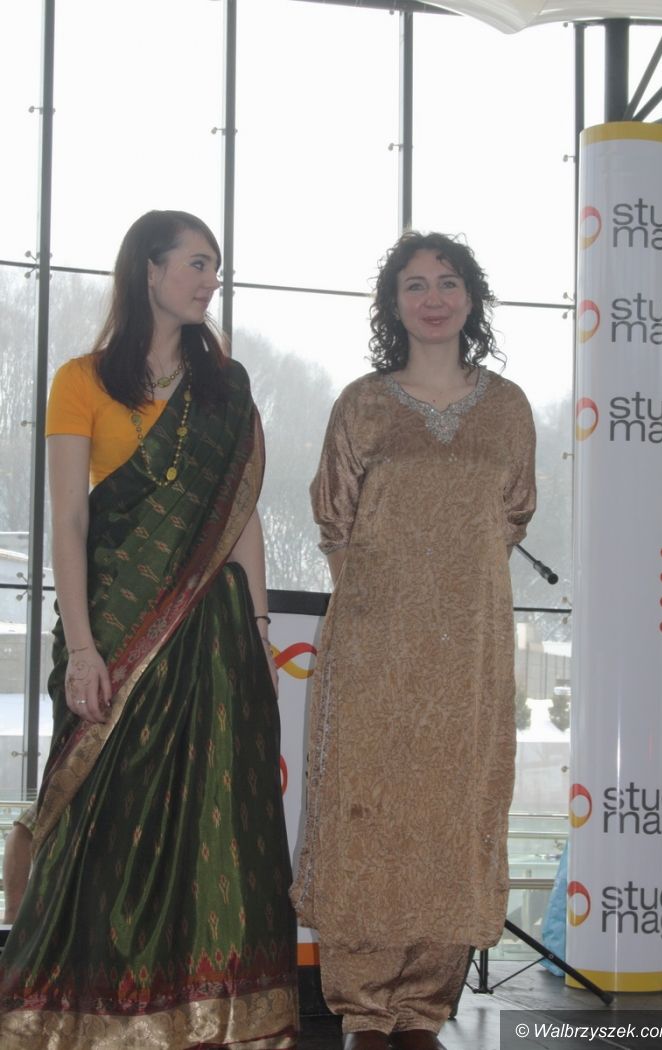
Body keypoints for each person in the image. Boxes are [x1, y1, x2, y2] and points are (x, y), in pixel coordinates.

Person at [0, 210, 298, 1049]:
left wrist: (260, 628)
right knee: (104, 824)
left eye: (215, 266)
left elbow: (240, 516)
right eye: (197, 263)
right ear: (150, 271)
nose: (211, 280)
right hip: (117, 633)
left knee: (216, 825)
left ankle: (219, 1015)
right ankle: (84, 1015)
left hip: (213, 640)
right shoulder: (80, 381)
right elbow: (69, 522)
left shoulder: (226, 387)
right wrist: (82, 647)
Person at [291, 231, 537, 1050]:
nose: (434, 298)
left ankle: (425, 1008)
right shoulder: (362, 404)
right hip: (374, 644)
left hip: (469, 649)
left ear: (472, 298)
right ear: (393, 306)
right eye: (415, 285)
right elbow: (335, 519)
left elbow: (512, 515)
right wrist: (385, 602)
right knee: (367, 812)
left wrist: (451, 595)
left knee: (454, 809)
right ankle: (366, 1010)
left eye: (448, 282)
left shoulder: (508, 409)